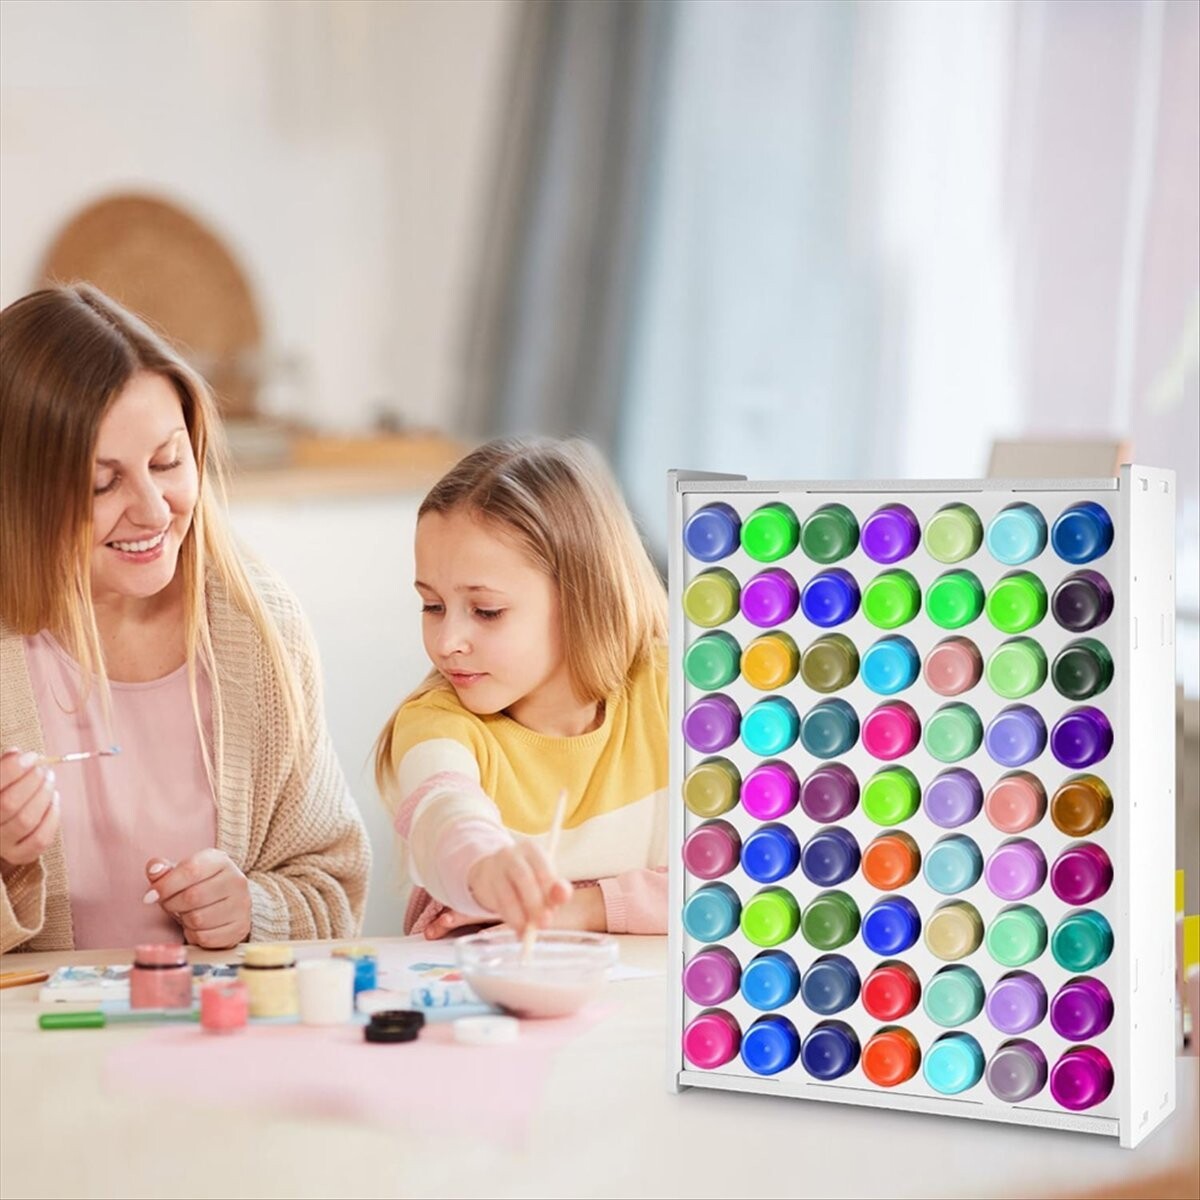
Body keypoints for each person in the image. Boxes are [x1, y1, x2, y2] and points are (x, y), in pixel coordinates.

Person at [0, 283, 370, 953]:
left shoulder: (260, 632)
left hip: (219, 1046)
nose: (153, 509)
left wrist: (253, 909)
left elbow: (334, 890)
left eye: (168, 461)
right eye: (100, 484)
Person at [375, 436, 668, 940]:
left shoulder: (676, 696)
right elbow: (445, 814)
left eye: (486, 611)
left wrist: (581, 908)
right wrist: (485, 868)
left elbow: (744, 886)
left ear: (583, 598)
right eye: (432, 605)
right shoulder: (436, 721)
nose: (447, 643)